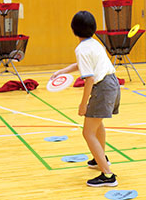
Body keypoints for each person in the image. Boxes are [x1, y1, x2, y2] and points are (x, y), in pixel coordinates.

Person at [51, 11, 120, 186]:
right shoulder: (95, 44)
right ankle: (100, 159)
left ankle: (108, 175)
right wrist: (62, 71)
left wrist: (83, 105)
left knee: (87, 132)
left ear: (73, 29)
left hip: (102, 87)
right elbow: (83, 65)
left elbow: (89, 78)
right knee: (97, 124)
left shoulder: (81, 49)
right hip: (113, 83)